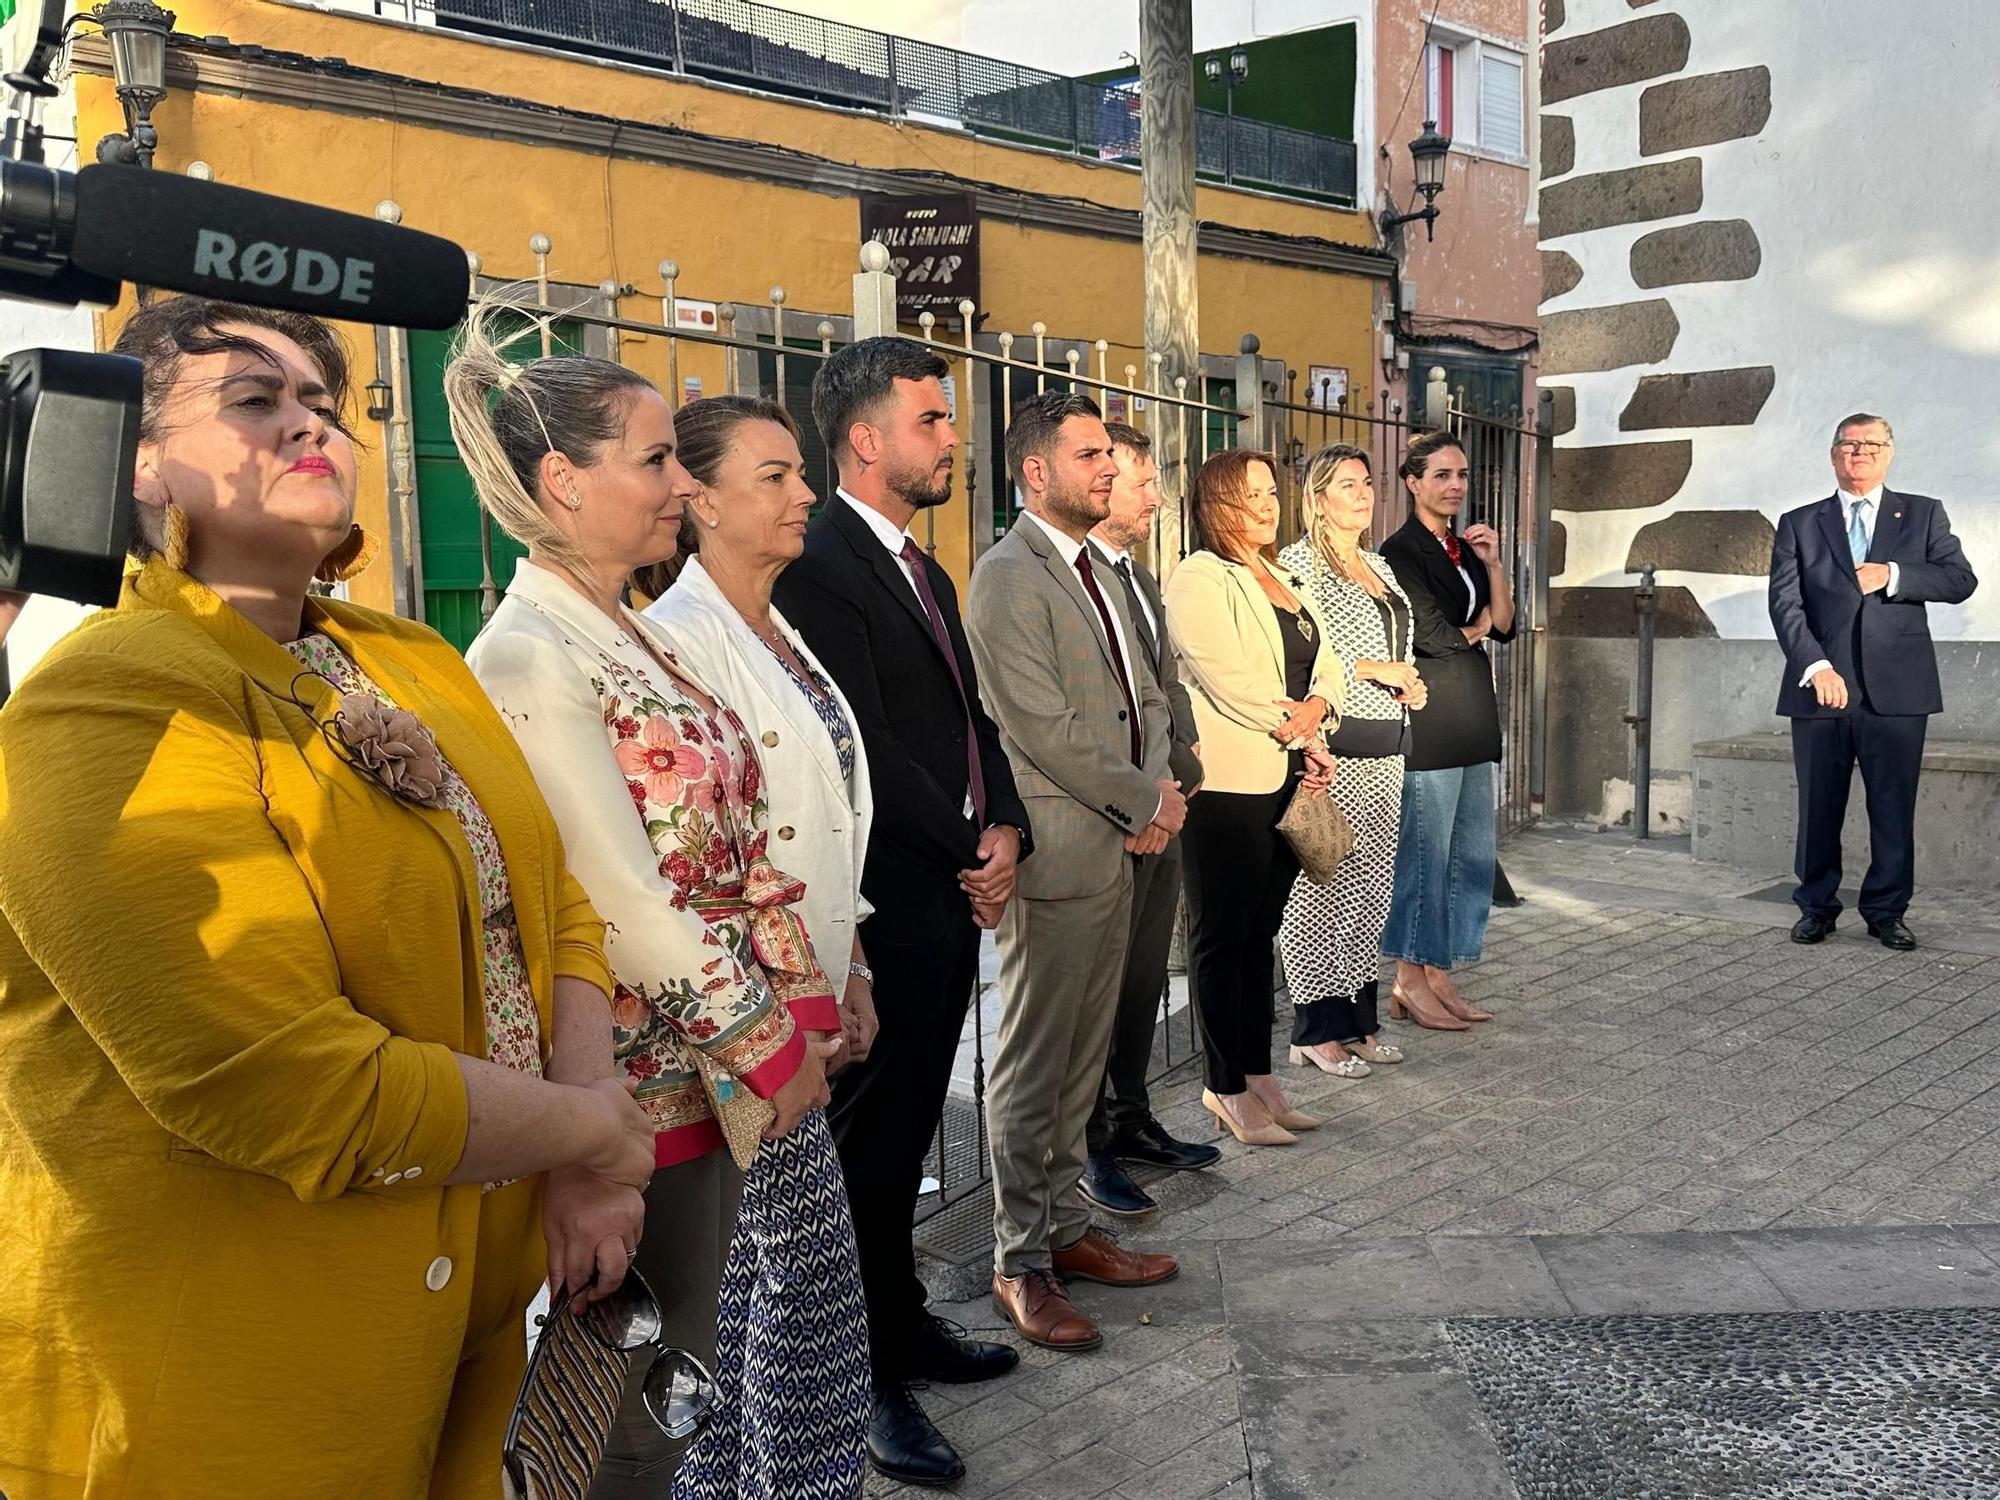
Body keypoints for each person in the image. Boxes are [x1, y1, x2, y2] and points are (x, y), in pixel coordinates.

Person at [0, 297, 656, 1498]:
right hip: (233, 1361)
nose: (310, 424)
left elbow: (548, 896)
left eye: (327, 402)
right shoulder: (103, 702)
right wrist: (600, 1131)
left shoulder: (407, 656)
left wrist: (581, 1149)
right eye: (256, 401)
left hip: (469, 1301)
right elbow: (290, 1084)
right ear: (136, 462)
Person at [445, 300, 867, 1500]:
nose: (680, 483)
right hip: (643, 1089)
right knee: (644, 1395)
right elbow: (618, 894)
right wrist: (765, 1036)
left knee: (710, 1368)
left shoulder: (627, 631)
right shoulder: (532, 653)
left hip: (728, 1070)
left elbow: (735, 843)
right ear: (560, 483)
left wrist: (802, 1011)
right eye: (654, 459)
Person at [770, 336, 1031, 1487]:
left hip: (948, 885)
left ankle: (907, 1319)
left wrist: (1007, 823)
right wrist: (967, 841)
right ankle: (863, 1374)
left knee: (915, 1129)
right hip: (885, 901)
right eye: (931, 420)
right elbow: (860, 745)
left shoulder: (923, 567)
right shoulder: (820, 561)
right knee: (867, 1150)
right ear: (867, 439)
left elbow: (971, 721)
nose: (950, 440)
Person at [967, 392, 1184, 1349]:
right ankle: (1020, 1262)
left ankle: (1065, 1228)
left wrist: (1161, 787)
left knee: (1083, 1062)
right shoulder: (1008, 577)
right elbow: (1039, 729)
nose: (1109, 467)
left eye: (1110, 453)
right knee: (1033, 1063)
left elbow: (1151, 695)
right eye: (1090, 454)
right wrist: (1143, 801)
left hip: (1119, 844)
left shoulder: (1099, 570)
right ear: (1037, 472)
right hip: (1061, 851)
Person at [639, 395, 879, 1067]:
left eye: (799, 473)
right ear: (703, 501)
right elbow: (698, 868)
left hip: (815, 982)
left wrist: (853, 969)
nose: (806, 493)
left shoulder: (780, 630)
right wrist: (777, 1025)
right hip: (750, 1020)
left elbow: (827, 821)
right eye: (775, 477)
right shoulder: (676, 641)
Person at [1164, 449, 1342, 1149]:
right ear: (1217, 503)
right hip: (1230, 783)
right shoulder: (1198, 577)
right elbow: (1225, 674)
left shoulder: (1287, 573)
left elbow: (1326, 659)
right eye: (1251, 494)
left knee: (1258, 936)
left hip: (1288, 772)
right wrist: (1295, 723)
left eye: (1272, 492)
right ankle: (1224, 1085)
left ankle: (1261, 1076)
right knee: (1220, 937)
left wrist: (1319, 711)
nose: (1268, 505)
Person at [1079, 422, 1220, 1218]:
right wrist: (1147, 794)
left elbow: (1165, 688)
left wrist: (1186, 766)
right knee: (1095, 999)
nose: (1154, 494)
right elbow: (1085, 714)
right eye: (1141, 479)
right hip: (1117, 817)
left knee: (1138, 991)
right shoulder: (1075, 578)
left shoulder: (1136, 574)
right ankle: (1091, 1143)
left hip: (1165, 807)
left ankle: (1130, 1119)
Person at [1769, 412, 1978, 950]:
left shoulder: (1923, 514)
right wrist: (1815, 667)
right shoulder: (1799, 522)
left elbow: (1960, 581)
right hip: (1822, 688)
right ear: (1833, 454)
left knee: (1891, 806)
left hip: (1898, 691)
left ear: (1889, 453)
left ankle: (1887, 912)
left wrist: (1894, 575)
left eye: (1870, 444)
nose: (1858, 453)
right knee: (1818, 809)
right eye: (1847, 444)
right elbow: (1786, 604)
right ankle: (1816, 908)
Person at [1278, 444, 1432, 1077]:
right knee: (1319, 885)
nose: (1364, 493)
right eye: (1347, 484)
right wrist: (1377, 669)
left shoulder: (1379, 566)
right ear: (1318, 499)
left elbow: (1404, 647)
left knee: (1369, 891)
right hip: (1334, 749)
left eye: (1367, 483)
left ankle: (1359, 1022)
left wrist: (1413, 684)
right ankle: (1314, 1030)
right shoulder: (1296, 564)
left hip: (1388, 745)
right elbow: (1302, 648)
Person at [1378, 430, 1512, 1030]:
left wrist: (1493, 565)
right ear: (1412, 482)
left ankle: (1440, 975)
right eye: (1441, 475)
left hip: (1473, 714)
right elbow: (1430, 636)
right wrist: (1476, 629)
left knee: (1470, 857)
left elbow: (1504, 624)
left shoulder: (1464, 548)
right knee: (1426, 856)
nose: (1455, 485)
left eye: (1461, 475)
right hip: (1431, 717)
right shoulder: (1399, 552)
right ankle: (1407, 979)